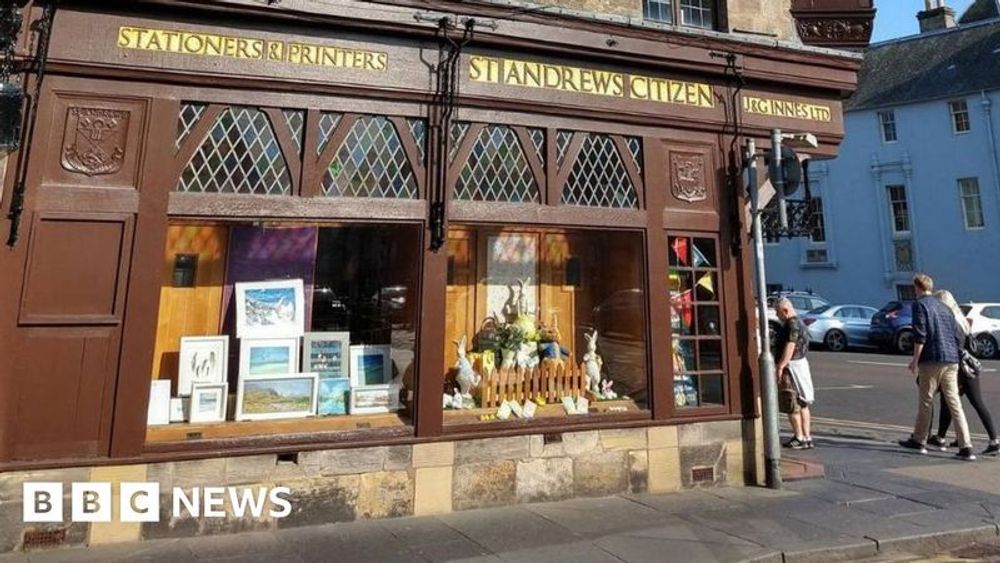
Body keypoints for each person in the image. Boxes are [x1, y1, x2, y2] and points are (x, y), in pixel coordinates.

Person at [899, 274, 976, 461]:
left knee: (926, 400)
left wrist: (915, 360)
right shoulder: (945, 307)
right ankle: (966, 446)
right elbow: (955, 335)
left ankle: (919, 440)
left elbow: (920, 335)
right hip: (951, 360)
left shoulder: (920, 305)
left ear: (917, 287)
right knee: (954, 403)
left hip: (931, 359)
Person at [927, 290, 1000, 456]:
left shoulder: (950, 321)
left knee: (969, 403)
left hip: (961, 368)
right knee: (951, 402)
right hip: (969, 366)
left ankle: (994, 440)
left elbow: (955, 347)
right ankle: (941, 437)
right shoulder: (962, 320)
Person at [774, 297, 815, 449]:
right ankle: (807, 437)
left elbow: (790, 347)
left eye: (778, 313)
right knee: (804, 402)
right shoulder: (800, 322)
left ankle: (798, 437)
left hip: (791, 368)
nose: (778, 316)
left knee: (791, 402)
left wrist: (780, 366)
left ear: (785, 310)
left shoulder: (791, 325)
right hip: (802, 365)